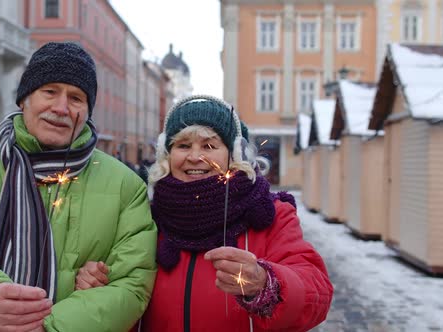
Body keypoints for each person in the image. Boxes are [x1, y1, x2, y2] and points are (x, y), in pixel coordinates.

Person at [0, 42, 157, 332]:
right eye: (49, 91)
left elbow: (133, 282)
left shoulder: (126, 186)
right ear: (24, 99)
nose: (61, 108)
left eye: (76, 98)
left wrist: (52, 327)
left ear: (87, 111)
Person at [76, 95, 333, 331]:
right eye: (183, 145)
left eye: (210, 146)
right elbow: (126, 307)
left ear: (235, 154)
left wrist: (266, 283)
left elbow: (316, 293)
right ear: (167, 155)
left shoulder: (271, 214)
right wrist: (101, 288)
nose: (195, 157)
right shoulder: (144, 217)